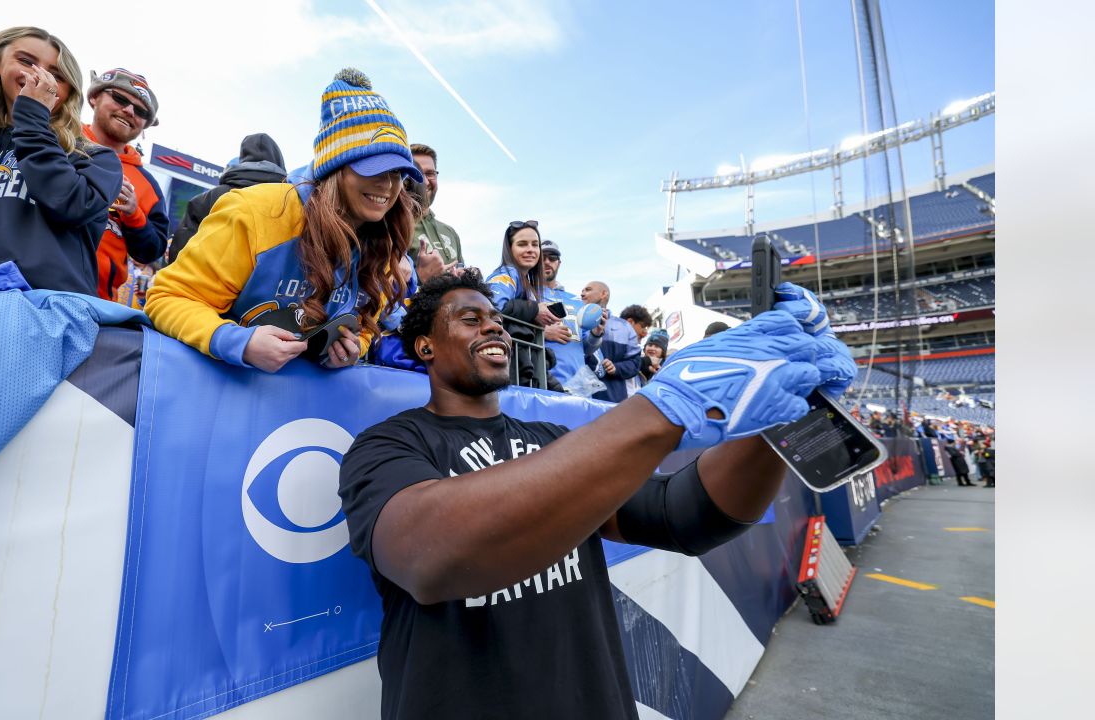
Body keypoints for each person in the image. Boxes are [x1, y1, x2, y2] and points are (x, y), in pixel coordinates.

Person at [338, 270, 853, 719]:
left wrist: (780, 414)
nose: (494, 325)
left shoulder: (553, 441)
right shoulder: (387, 445)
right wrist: (665, 406)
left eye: (495, 317)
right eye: (470, 319)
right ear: (425, 346)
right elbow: (431, 556)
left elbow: (685, 516)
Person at [144, 68, 422, 372]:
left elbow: (366, 325)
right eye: (372, 167)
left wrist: (352, 347)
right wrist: (238, 342)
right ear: (334, 167)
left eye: (396, 171)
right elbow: (167, 298)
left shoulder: (383, 243)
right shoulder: (254, 212)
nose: (387, 184)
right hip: (218, 391)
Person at [0, 26, 123, 295]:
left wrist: (33, 118)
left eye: (56, 75)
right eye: (26, 61)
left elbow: (69, 204)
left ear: (67, 93)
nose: (39, 75)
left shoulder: (96, 157)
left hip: (45, 307)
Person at [83, 68, 171, 300]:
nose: (130, 110)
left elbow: (151, 251)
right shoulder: (59, 142)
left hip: (95, 303)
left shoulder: (147, 185)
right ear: (94, 97)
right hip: (26, 285)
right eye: (120, 98)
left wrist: (134, 214)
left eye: (141, 111)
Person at [168, 133, 287, 262]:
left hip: (206, 278)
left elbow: (180, 251)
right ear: (279, 161)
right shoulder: (290, 204)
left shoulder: (209, 198)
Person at [486, 220, 561, 388]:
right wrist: (534, 309)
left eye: (535, 245)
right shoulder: (508, 273)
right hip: (507, 367)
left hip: (526, 365)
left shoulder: (528, 282)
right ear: (510, 249)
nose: (530, 250)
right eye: (522, 244)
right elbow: (492, 308)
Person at [537, 239, 591, 388]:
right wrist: (542, 332)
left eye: (552, 258)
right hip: (542, 383)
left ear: (558, 263)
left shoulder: (577, 301)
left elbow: (587, 346)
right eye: (542, 258)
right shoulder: (525, 294)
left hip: (579, 386)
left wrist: (597, 334)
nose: (547, 262)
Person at [407, 143, 464, 282]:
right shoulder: (390, 226)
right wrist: (420, 278)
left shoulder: (450, 232)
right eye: (418, 173)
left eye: (430, 173)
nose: (426, 181)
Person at [579, 280, 642, 402]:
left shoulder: (624, 327)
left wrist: (616, 368)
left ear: (604, 294)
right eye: (582, 291)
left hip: (612, 401)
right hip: (578, 396)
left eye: (588, 289)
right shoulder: (572, 321)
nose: (582, 294)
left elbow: (635, 363)